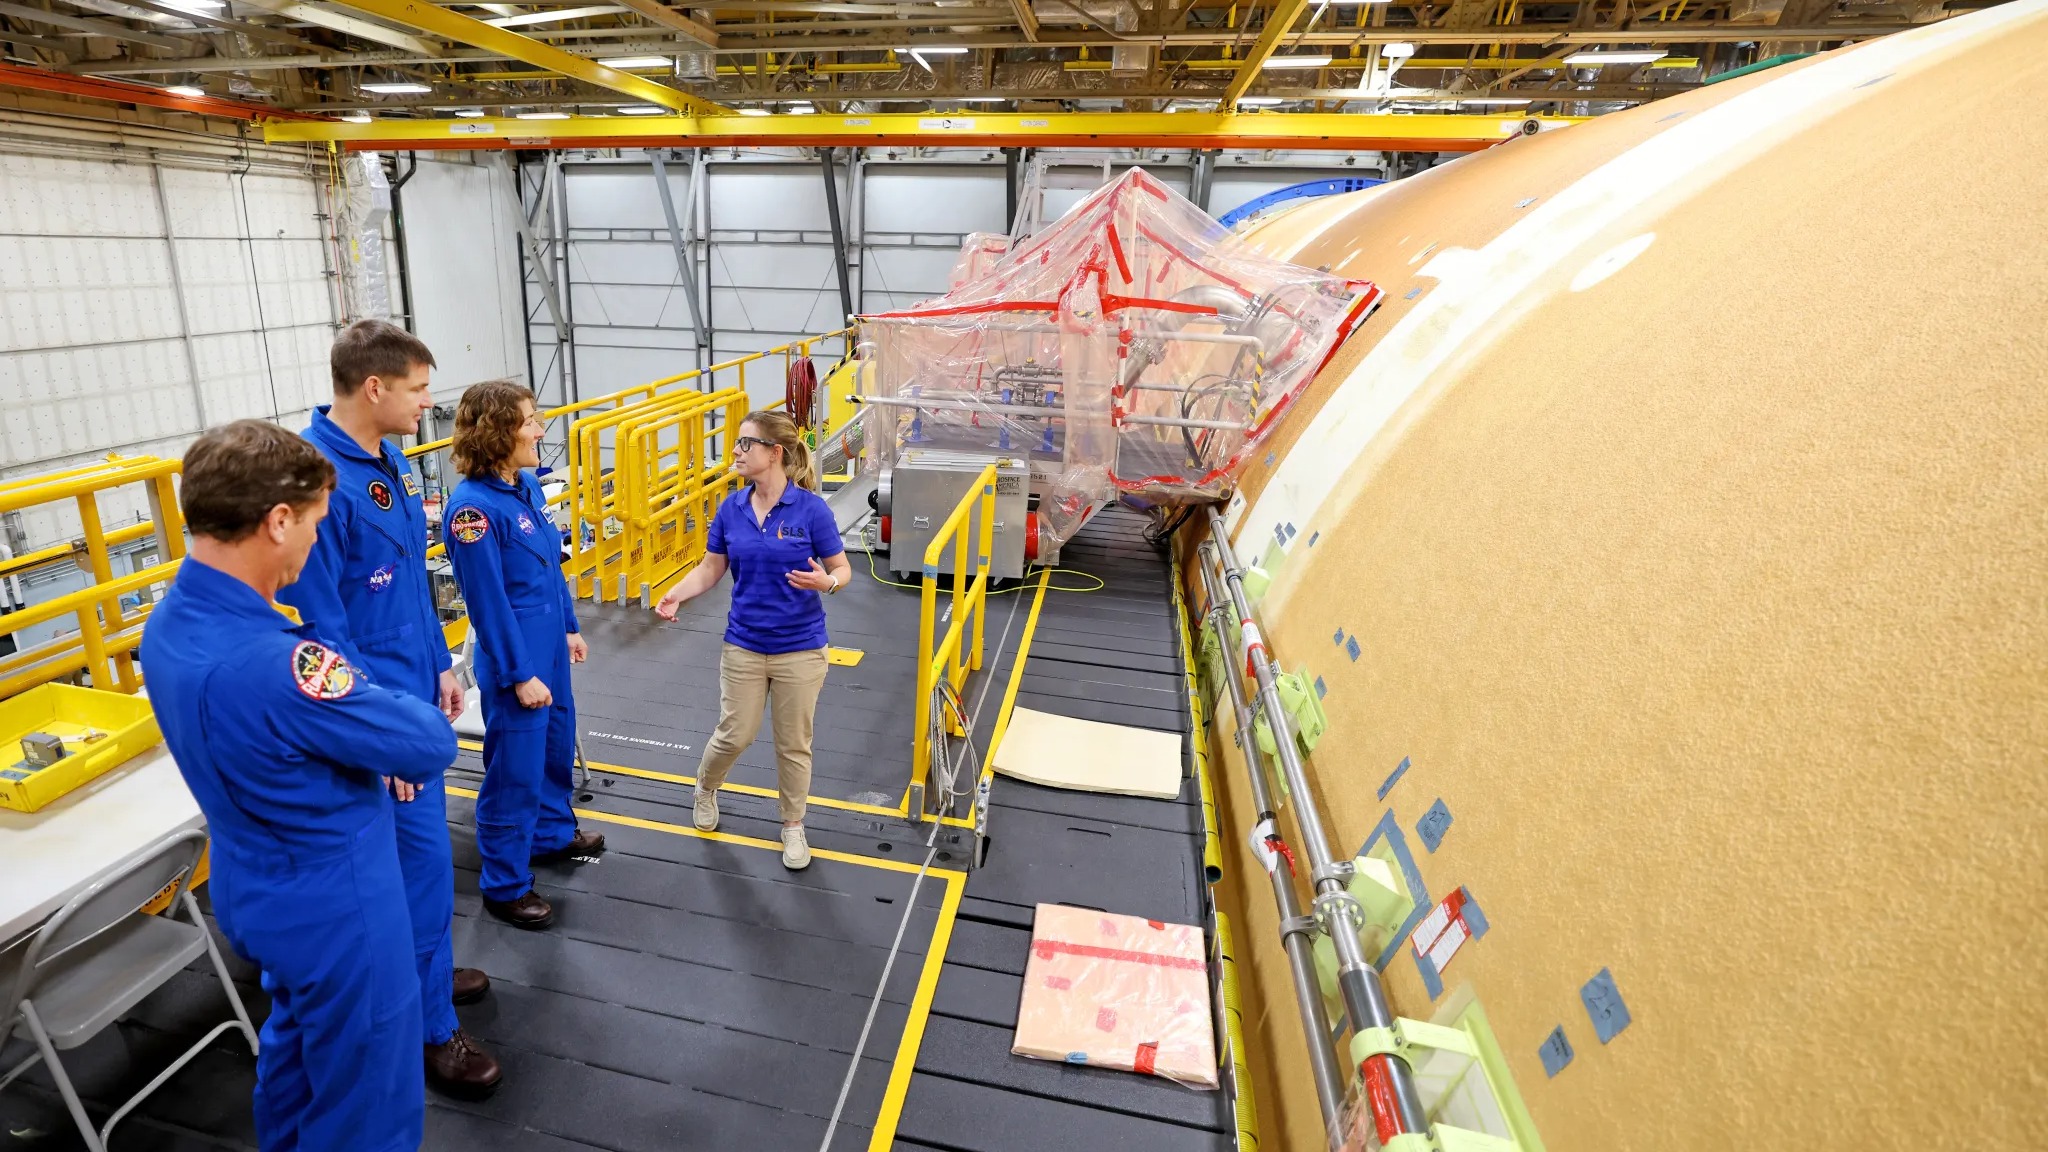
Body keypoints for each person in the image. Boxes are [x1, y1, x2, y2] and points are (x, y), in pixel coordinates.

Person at [140, 420, 457, 1152]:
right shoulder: (277, 665)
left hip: (257, 888)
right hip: (340, 905)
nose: (317, 542)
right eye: (313, 523)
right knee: (369, 1101)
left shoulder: (168, 627)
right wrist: (367, 721)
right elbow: (427, 740)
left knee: (297, 1062)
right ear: (277, 521)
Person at [276, 318, 500, 1098]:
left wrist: (442, 661)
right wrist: (378, 739)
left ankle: (428, 977)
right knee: (417, 873)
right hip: (375, 719)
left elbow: (412, 577)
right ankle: (431, 1031)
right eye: (418, 389)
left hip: (414, 693)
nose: (428, 403)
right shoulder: (314, 484)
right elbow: (324, 634)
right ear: (375, 388)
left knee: (425, 872)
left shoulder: (395, 461)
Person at [654, 409, 852, 870]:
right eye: (738, 444)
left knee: (793, 743)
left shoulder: (811, 510)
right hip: (743, 643)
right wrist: (675, 595)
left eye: (746, 444)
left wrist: (829, 584)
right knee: (736, 733)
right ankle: (705, 786)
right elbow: (712, 567)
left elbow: (842, 569)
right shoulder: (731, 508)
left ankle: (793, 826)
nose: (737, 452)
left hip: (801, 647)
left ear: (774, 453)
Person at [441, 380, 602, 929]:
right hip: (518, 661)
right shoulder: (471, 510)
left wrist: (570, 627)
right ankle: (505, 884)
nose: (539, 429)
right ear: (496, 431)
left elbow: (548, 565)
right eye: (529, 420)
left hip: (549, 647)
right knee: (514, 774)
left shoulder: (525, 486)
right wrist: (517, 674)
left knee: (556, 747)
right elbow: (487, 605)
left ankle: (552, 834)